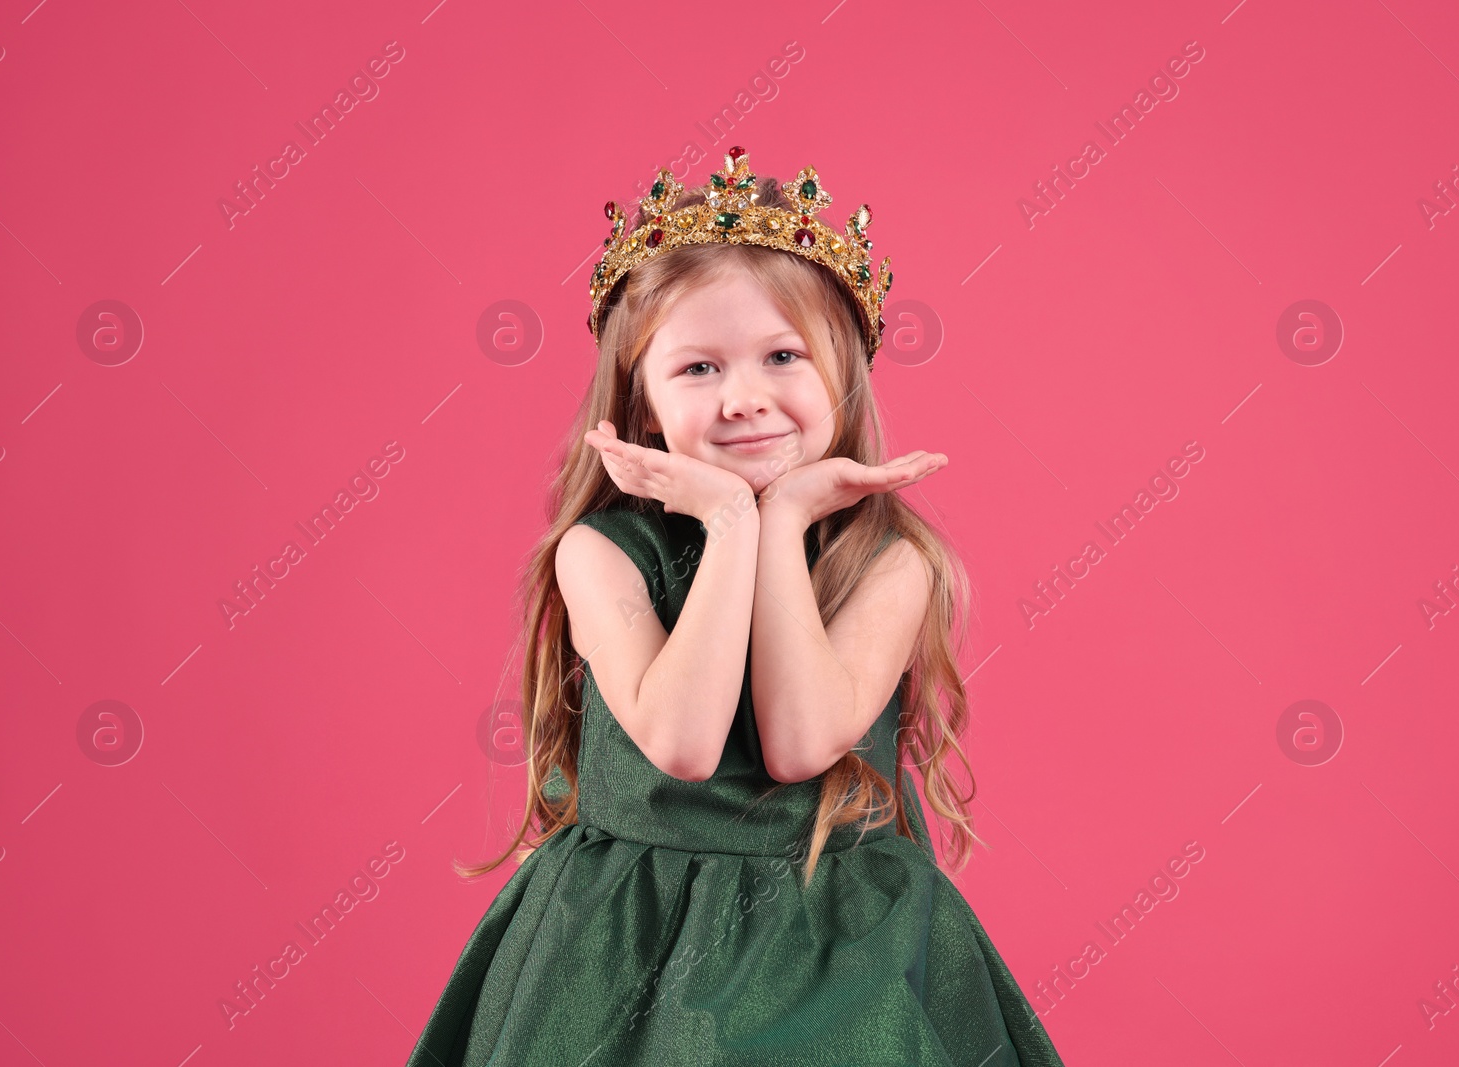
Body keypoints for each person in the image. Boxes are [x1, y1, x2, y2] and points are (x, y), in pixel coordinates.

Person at [404, 147, 1067, 1066]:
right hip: (619, 945)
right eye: (699, 368)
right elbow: (680, 743)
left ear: (844, 374)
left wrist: (787, 512)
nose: (745, 398)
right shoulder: (600, 557)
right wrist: (727, 518)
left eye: (782, 356)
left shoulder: (891, 563)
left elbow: (799, 744)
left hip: (839, 944)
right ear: (641, 410)